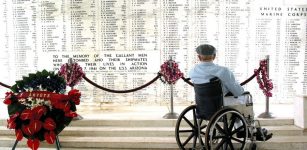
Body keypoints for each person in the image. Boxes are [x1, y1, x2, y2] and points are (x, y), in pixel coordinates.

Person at [189, 44, 272, 141]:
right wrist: (241, 91)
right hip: (221, 105)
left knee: (235, 102)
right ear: (214, 56)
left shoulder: (193, 71)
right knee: (244, 99)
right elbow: (237, 91)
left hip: (203, 106)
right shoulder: (223, 71)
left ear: (198, 57)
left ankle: (241, 128)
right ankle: (249, 130)